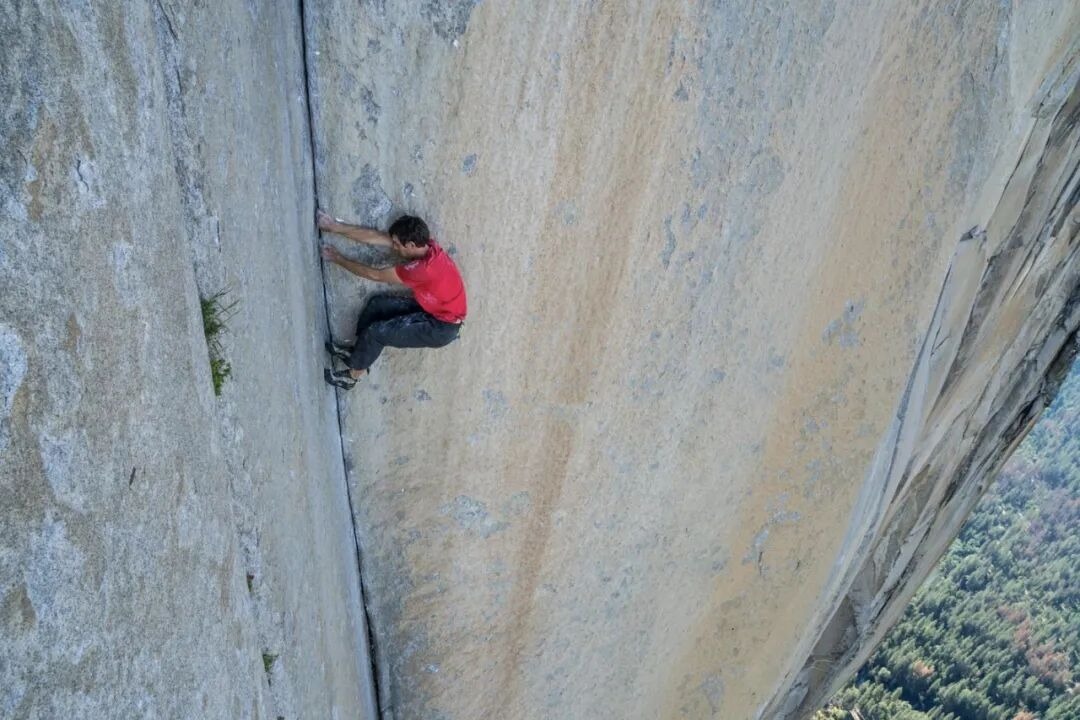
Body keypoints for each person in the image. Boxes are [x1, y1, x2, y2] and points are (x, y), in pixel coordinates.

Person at [317, 210, 467, 390]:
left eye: (397, 245)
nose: (394, 247)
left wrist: (336, 258)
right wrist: (334, 227)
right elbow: (377, 238)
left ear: (411, 244)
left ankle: (352, 376)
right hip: (433, 310)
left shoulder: (422, 269)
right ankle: (357, 353)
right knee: (377, 305)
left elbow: (375, 274)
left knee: (377, 333)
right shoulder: (428, 246)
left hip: (441, 328)